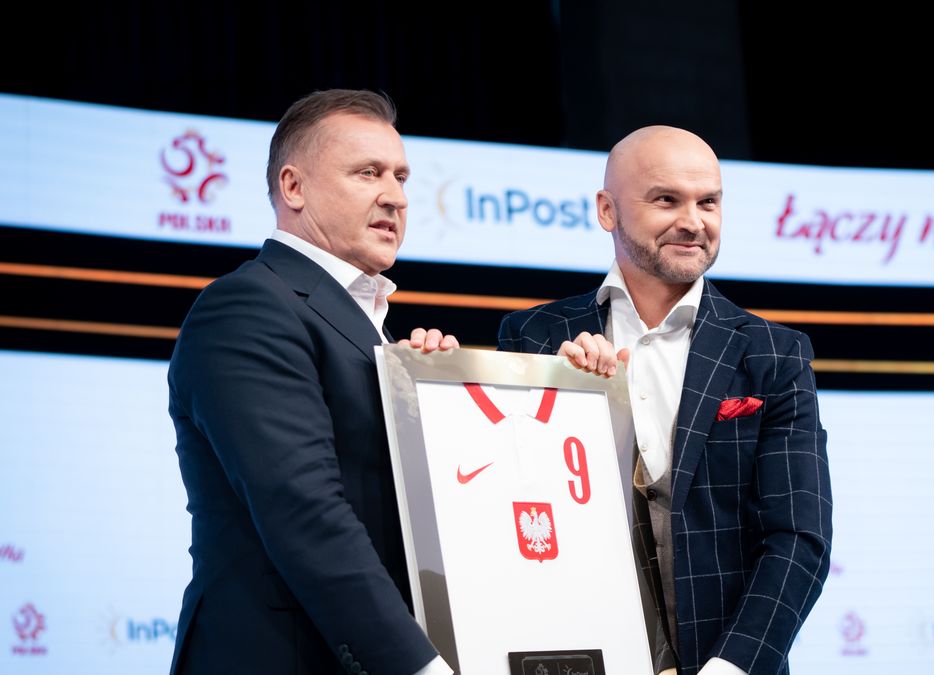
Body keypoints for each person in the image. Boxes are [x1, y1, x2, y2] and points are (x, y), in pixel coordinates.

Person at [498, 126, 832, 675]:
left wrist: (730, 669)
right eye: (666, 200)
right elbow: (514, 520)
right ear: (608, 211)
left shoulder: (774, 352)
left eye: (709, 201)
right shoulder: (534, 336)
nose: (693, 221)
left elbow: (799, 537)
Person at [168, 89, 456, 675]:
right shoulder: (249, 306)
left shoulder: (369, 329)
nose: (394, 197)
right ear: (293, 188)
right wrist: (420, 666)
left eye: (401, 177)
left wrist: (440, 401)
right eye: (367, 172)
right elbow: (304, 510)